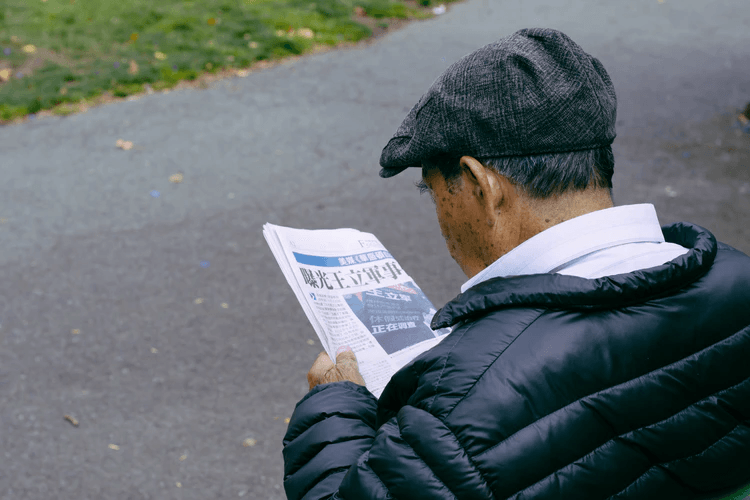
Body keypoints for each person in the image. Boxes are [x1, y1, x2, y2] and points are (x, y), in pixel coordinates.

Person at [281, 28, 750, 499]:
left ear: (480, 185)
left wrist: (335, 407)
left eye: (433, 191)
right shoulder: (738, 281)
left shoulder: (464, 403)